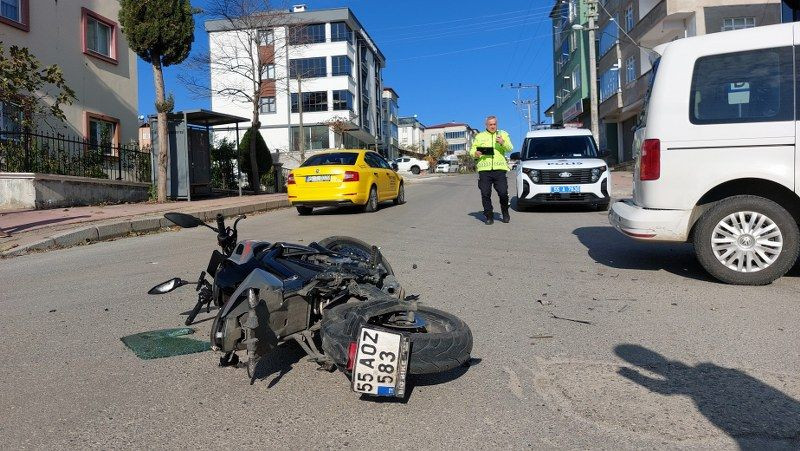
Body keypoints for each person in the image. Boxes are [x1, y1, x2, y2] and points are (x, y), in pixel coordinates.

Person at [469, 115, 513, 224]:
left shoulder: (503, 134)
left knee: (503, 193)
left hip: (499, 169)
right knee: (485, 193)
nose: (493, 126)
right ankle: (489, 216)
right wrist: (475, 153)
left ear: (496, 124)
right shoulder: (479, 136)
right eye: (490, 124)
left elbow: (510, 148)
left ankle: (505, 212)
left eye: (494, 124)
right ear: (486, 125)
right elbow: (472, 150)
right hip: (484, 170)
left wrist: (503, 142)